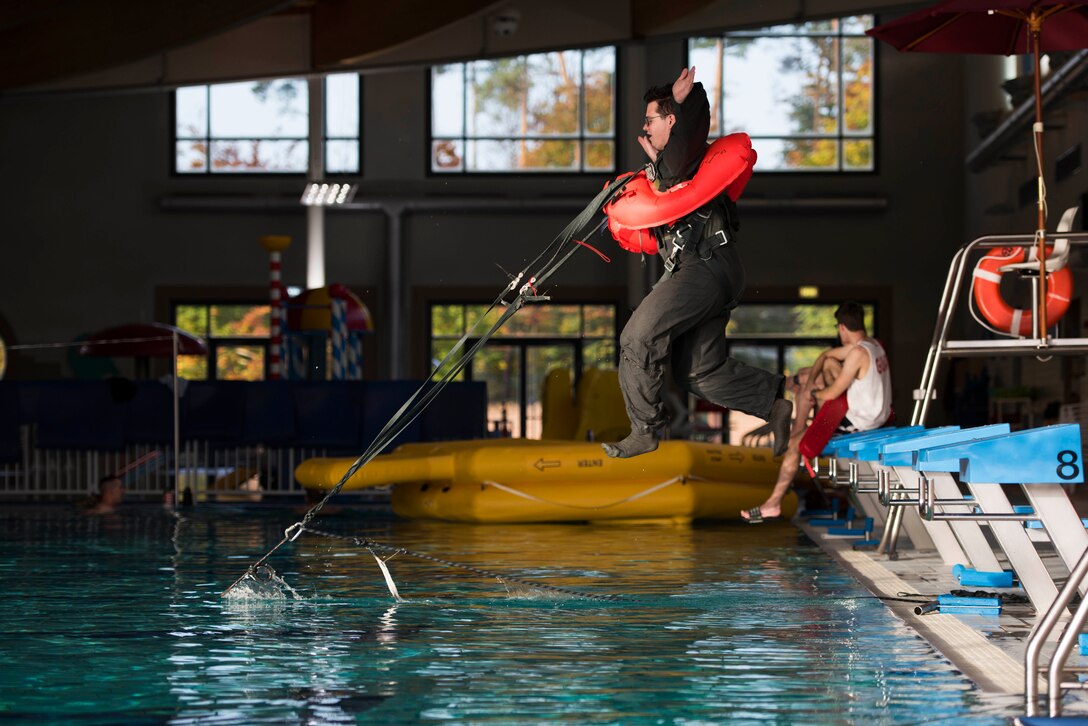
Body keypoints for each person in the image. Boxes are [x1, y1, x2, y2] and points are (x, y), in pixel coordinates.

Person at [602, 66, 792, 459]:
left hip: (705, 265)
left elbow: (688, 134)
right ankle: (773, 403)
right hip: (713, 269)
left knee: (637, 338)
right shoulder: (671, 169)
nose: (646, 127)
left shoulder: (685, 152)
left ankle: (645, 429)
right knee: (696, 373)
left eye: (651, 119)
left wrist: (687, 99)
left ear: (670, 120)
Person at [741, 302, 892, 523]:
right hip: (875, 413)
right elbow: (825, 357)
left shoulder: (857, 353)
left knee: (795, 447)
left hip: (860, 422)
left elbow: (831, 394)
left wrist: (813, 392)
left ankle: (773, 503)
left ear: (841, 328)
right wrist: (811, 383)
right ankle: (800, 427)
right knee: (824, 366)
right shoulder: (872, 345)